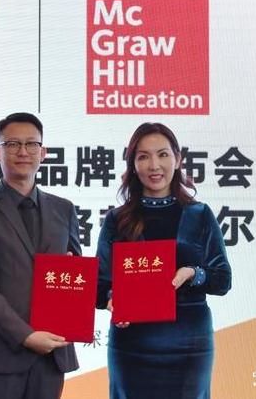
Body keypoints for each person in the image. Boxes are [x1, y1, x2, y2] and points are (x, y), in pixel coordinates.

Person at [96, 122, 232, 399]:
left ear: (177, 159)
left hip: (190, 345)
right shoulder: (117, 219)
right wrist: (112, 299)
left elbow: (222, 279)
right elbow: (100, 285)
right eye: (143, 157)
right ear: (133, 164)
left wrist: (192, 273)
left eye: (162, 154)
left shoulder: (200, 214)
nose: (154, 165)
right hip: (132, 344)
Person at [0, 112, 82, 399]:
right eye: (12, 144)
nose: (23, 152)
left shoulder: (64, 209)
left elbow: (75, 270)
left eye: (31, 144)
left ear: (43, 152)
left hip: (52, 352)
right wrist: (25, 335)